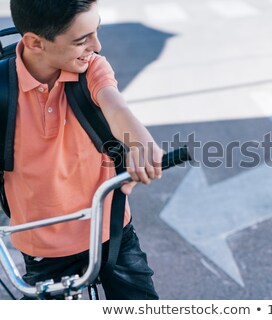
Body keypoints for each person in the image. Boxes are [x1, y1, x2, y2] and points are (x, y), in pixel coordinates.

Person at [5, 0, 163, 299]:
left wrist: (140, 141)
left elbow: (115, 106)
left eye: (96, 31)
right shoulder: (3, 88)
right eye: (81, 40)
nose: (97, 45)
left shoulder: (90, 68)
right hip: (42, 246)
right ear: (35, 43)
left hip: (110, 231)